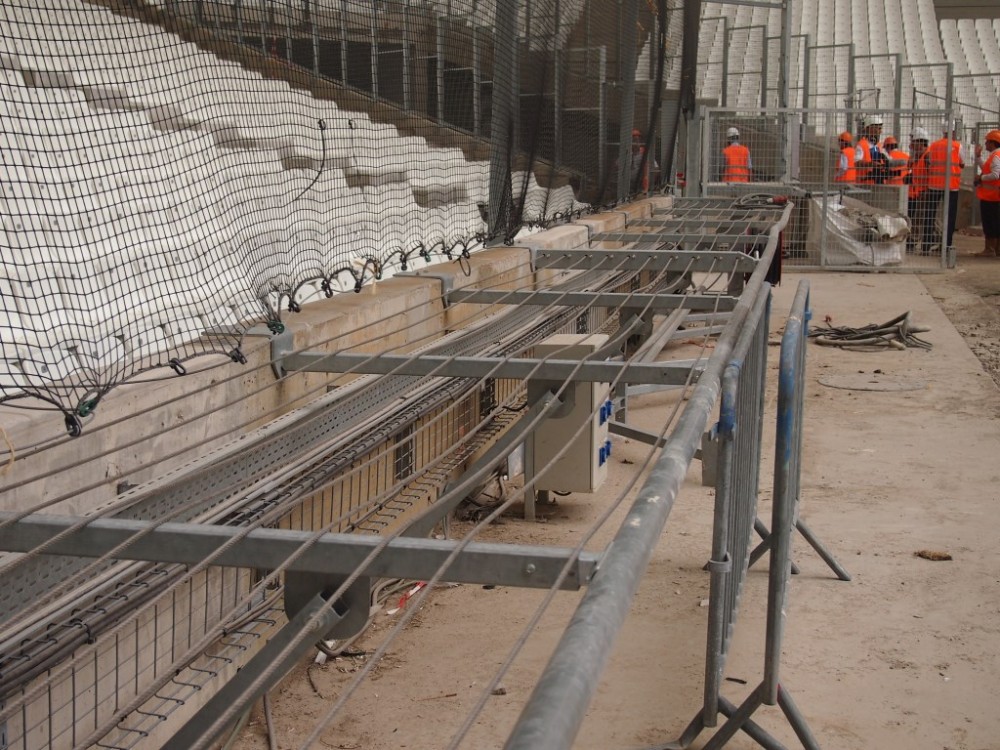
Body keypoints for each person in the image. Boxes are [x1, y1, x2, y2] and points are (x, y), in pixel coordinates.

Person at [921, 121, 965, 252]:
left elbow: (929, 162)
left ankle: (926, 245)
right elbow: (962, 163)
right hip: (951, 187)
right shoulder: (958, 146)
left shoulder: (934, 146)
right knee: (950, 216)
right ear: (953, 131)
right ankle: (947, 245)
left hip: (934, 186)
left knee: (929, 215)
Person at [973, 129, 1000, 257]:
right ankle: (996, 249)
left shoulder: (996, 157)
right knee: (995, 223)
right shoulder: (996, 156)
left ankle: (990, 249)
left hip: (991, 197)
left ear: (993, 143)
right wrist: (978, 158)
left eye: (987, 142)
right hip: (994, 197)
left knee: (990, 223)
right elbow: (986, 168)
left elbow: (995, 175)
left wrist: (981, 178)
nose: (985, 145)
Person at [907, 128, 932, 254]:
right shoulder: (918, 157)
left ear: (921, 142)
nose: (911, 144)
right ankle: (935, 238)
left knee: (921, 218)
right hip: (919, 191)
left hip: (926, 191)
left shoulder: (927, 155)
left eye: (914, 142)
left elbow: (931, 173)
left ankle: (913, 240)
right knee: (924, 217)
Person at [855, 115, 890, 184]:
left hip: (879, 183)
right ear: (870, 128)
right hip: (865, 184)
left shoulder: (878, 145)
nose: (881, 132)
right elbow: (856, 162)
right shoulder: (862, 144)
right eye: (879, 129)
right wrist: (870, 164)